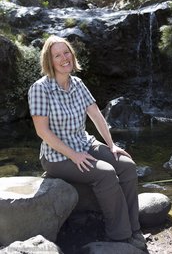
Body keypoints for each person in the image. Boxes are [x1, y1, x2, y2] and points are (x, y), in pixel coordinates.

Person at [28, 35, 146, 250]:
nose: (64, 58)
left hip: (84, 142)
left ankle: (134, 228)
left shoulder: (78, 83)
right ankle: (119, 236)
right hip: (57, 156)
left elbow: (97, 116)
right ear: (49, 61)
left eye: (67, 53)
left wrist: (111, 145)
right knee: (106, 173)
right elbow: (42, 131)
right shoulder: (40, 89)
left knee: (127, 166)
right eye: (57, 55)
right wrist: (74, 155)